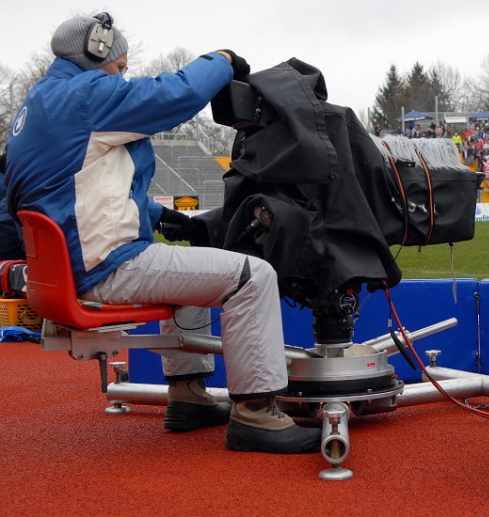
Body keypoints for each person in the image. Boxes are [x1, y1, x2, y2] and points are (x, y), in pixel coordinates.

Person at [5, 13, 321, 454]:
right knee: (255, 276)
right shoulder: (85, 95)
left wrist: (162, 217)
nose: (123, 77)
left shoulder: (41, 101)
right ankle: (255, 412)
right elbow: (178, 94)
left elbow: (80, 190)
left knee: (195, 270)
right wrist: (223, 59)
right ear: (97, 55)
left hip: (72, 265)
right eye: (120, 67)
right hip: (107, 265)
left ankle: (187, 397)